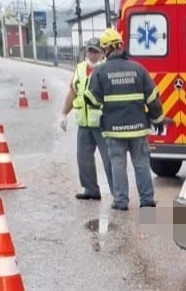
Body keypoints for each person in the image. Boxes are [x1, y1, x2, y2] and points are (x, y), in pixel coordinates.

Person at [85, 28, 165, 211]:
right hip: (138, 128)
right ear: (121, 45)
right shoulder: (138, 68)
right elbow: (153, 98)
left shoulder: (101, 71)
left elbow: (91, 99)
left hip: (114, 130)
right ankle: (147, 200)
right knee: (142, 164)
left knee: (118, 165)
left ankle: (121, 201)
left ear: (105, 50)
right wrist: (158, 119)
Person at [60, 37, 114, 201]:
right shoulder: (80, 69)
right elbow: (73, 92)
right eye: (90, 51)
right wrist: (64, 113)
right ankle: (90, 189)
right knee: (83, 158)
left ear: (102, 53)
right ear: (86, 52)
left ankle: (117, 193)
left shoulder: (106, 69)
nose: (92, 55)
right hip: (84, 123)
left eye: (96, 51)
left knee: (109, 160)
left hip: (102, 124)